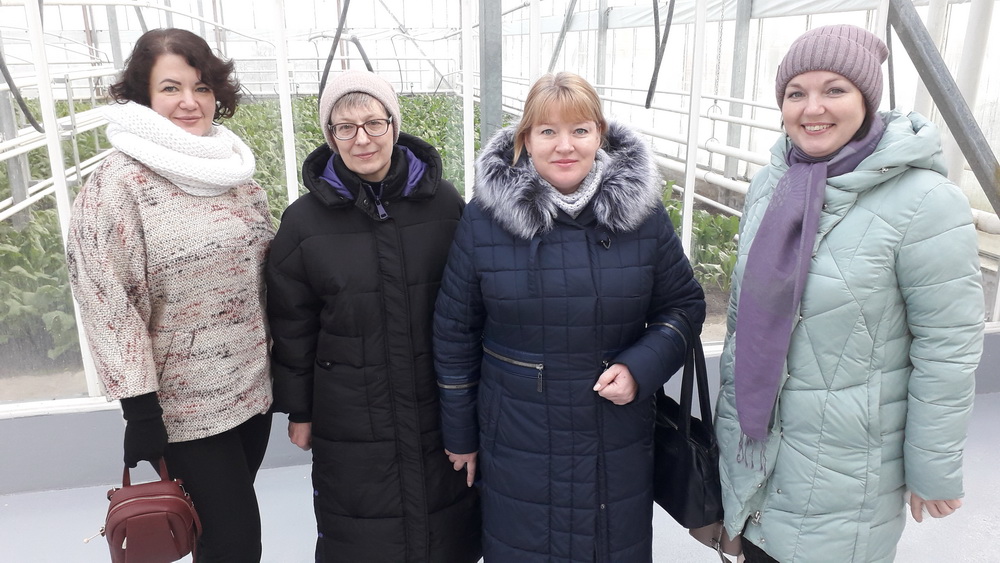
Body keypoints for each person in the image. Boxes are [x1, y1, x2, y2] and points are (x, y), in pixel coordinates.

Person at [714, 24, 985, 563]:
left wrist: (932, 467)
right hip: (754, 454)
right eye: (796, 93)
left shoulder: (926, 201)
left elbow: (947, 347)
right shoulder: (772, 183)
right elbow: (745, 319)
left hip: (844, 467)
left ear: (867, 99)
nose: (812, 108)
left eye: (834, 89)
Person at [434, 72, 706, 562]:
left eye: (580, 130)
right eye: (548, 131)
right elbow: (455, 330)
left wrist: (640, 368)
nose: (565, 146)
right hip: (517, 437)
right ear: (525, 139)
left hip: (616, 435)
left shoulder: (642, 216)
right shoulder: (485, 219)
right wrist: (460, 435)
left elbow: (683, 306)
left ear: (600, 134)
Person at [66, 28, 273, 562]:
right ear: (142, 96)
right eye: (171, 88)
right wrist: (139, 409)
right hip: (183, 408)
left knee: (216, 535)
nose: (190, 102)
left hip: (251, 392)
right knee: (235, 542)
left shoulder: (235, 174)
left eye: (202, 87)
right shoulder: (117, 184)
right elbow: (107, 301)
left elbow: (262, 275)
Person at [266, 69, 481, 562]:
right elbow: (292, 321)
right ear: (331, 136)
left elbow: (471, 304)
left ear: (393, 126)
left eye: (373, 123)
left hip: (435, 399)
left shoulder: (444, 204)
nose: (361, 138)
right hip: (348, 408)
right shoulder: (304, 222)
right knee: (361, 527)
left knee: (445, 522)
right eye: (345, 127)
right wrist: (300, 410)